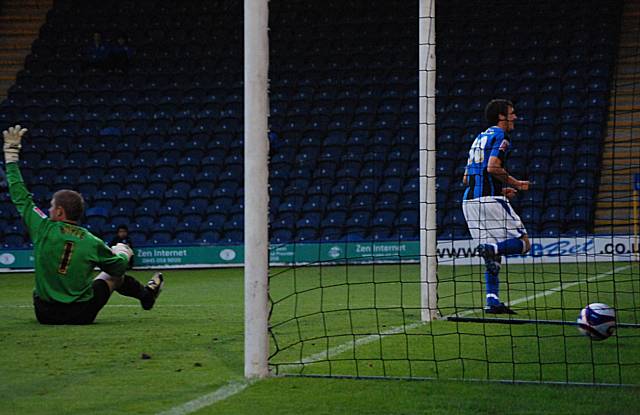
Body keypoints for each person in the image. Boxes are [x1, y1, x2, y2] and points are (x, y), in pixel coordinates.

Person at [3, 125, 164, 325]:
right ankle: (147, 296)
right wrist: (122, 250)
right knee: (113, 275)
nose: (49, 210)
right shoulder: (91, 241)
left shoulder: (42, 227)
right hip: (81, 315)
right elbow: (119, 266)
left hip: (44, 314)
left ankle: (147, 296)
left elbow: (21, 198)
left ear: (60, 211)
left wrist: (11, 156)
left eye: (52, 207)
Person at [461, 99, 531, 315]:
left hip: (469, 202)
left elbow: (466, 178)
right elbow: (492, 167)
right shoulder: (501, 136)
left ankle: (492, 300)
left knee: (492, 257)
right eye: (512, 113)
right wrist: (517, 184)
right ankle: (492, 249)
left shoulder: (478, 138)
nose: (515, 117)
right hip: (488, 200)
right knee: (524, 243)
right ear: (501, 117)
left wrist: (498, 190)